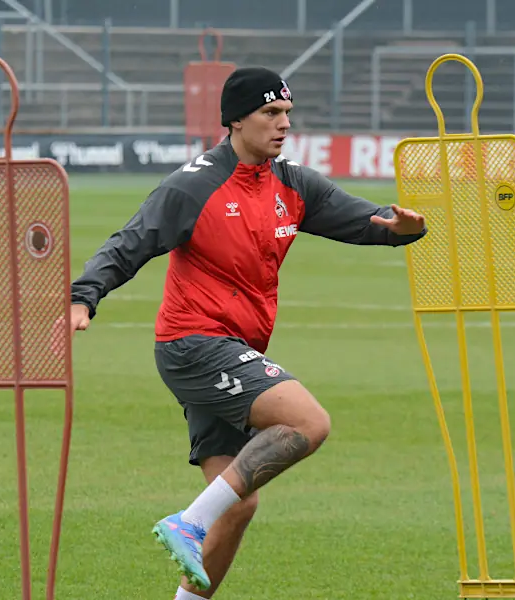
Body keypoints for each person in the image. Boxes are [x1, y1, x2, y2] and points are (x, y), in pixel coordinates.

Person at [62, 66, 427, 598]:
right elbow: (130, 243)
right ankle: (188, 521)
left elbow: (362, 219)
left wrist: (401, 231)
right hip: (193, 345)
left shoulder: (292, 182)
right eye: (270, 113)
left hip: (233, 349)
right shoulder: (194, 184)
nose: (283, 125)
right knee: (309, 422)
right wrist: (83, 295)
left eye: (287, 114)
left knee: (239, 503)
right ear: (235, 119)